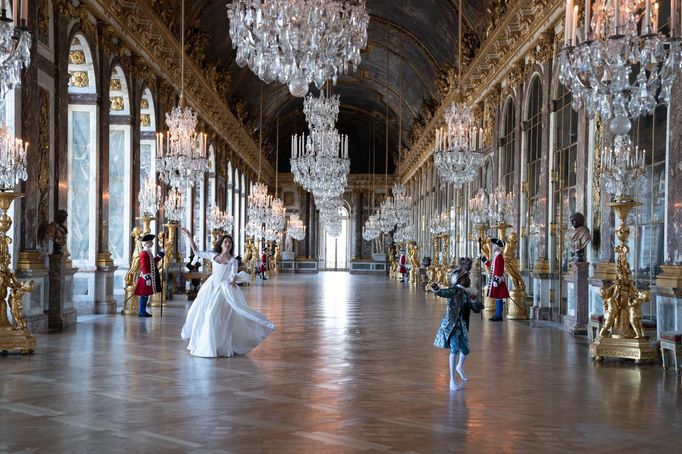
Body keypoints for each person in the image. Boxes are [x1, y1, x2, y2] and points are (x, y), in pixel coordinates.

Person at [180, 227, 275, 358]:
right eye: (226, 242)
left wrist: (233, 279)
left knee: (216, 316)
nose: (228, 244)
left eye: (230, 243)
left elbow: (233, 274)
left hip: (224, 290)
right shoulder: (213, 255)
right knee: (203, 313)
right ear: (221, 243)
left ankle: (219, 345)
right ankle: (207, 344)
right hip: (210, 288)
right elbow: (196, 251)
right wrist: (189, 237)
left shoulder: (233, 261)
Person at [430, 279, 472, 391]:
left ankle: (459, 367)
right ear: (459, 280)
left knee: (466, 349)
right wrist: (436, 289)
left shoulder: (466, 293)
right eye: (466, 277)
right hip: (451, 325)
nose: (469, 279)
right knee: (455, 349)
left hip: (461, 324)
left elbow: (476, 308)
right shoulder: (454, 290)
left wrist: (475, 301)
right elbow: (445, 293)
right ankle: (452, 381)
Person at [133, 234, 164, 317]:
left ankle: (142, 311)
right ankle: (141, 311)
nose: (152, 243)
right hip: (146, 277)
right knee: (144, 294)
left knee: (146, 294)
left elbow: (152, 262)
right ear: (146, 243)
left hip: (149, 276)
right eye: (151, 242)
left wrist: (160, 255)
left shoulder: (148, 252)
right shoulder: (144, 253)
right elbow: (143, 266)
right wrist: (147, 277)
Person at [480, 238, 509, 322]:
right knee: (497, 297)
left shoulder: (499, 257)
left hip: (498, 280)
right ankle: (497, 314)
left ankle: (499, 315)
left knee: (498, 297)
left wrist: (497, 279)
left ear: (497, 247)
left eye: (494, 245)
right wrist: (483, 259)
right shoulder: (496, 256)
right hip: (496, 279)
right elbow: (491, 265)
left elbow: (499, 269)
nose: (493, 247)